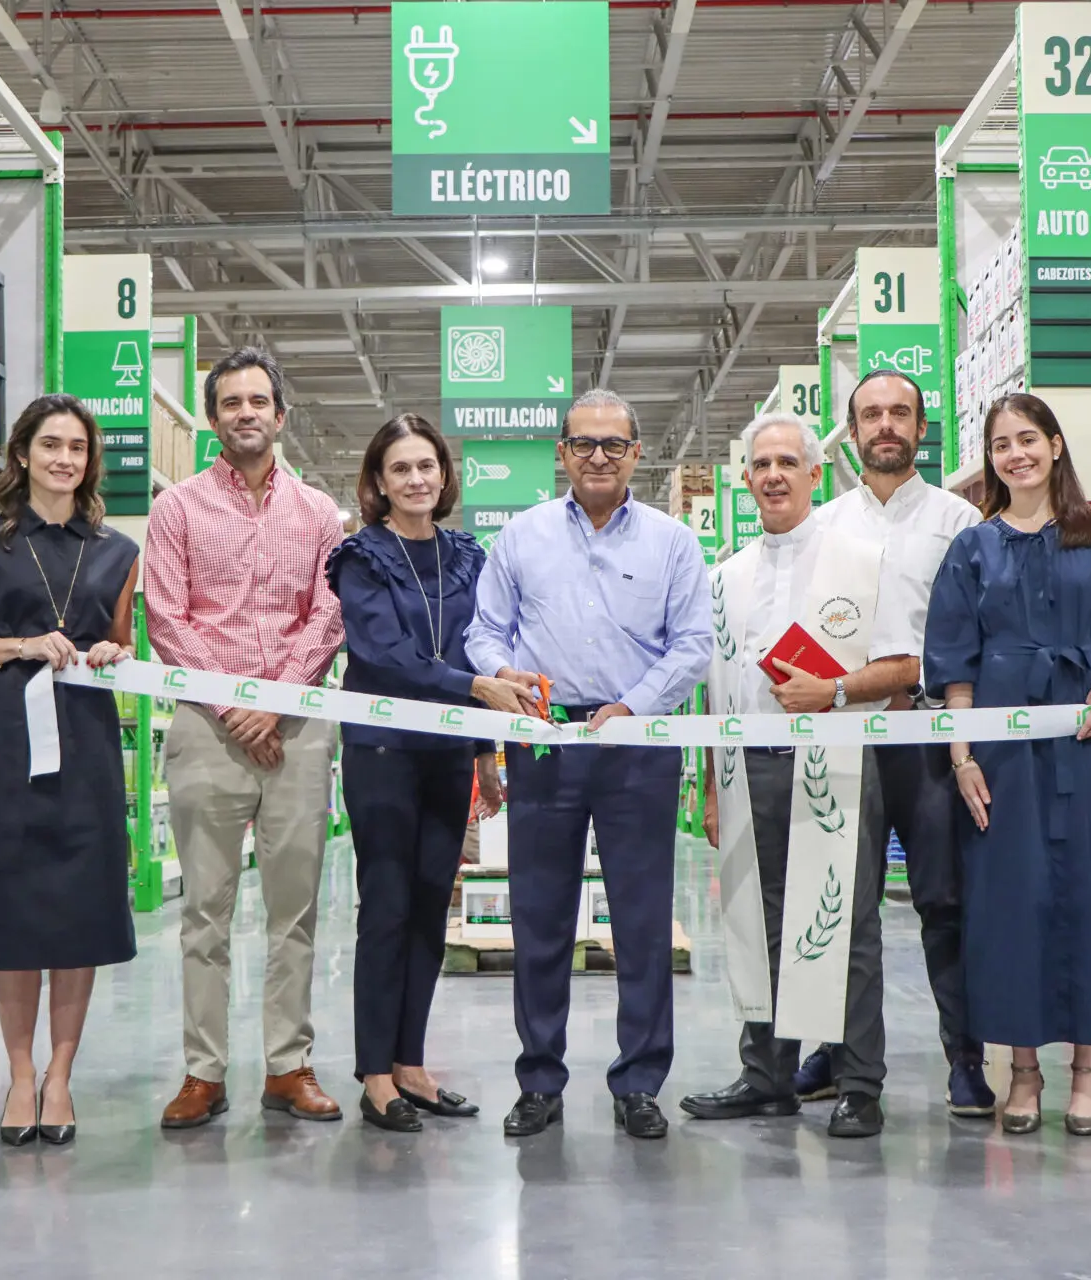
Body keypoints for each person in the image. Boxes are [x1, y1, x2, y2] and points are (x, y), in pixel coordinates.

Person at [689, 377, 992, 1139]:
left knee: (849, 922)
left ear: (814, 470)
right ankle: (768, 1073)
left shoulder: (864, 557)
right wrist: (710, 782)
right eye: (761, 465)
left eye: (788, 461)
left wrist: (831, 693)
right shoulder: (727, 576)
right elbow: (717, 687)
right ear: (747, 479)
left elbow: (904, 662)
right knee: (761, 919)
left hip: (847, 755)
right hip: (752, 761)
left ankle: (864, 1078)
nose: (774, 476)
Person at [923, 391, 1091, 1138]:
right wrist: (962, 756)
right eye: (1001, 444)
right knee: (1012, 901)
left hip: (1088, 742)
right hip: (1001, 748)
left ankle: (1087, 1070)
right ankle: (1022, 1072)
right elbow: (953, 663)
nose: (1016, 454)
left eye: (1028, 439)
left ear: (1056, 446)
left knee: (1090, 891)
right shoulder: (973, 548)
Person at [466, 388, 712, 1141]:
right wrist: (507, 682)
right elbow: (484, 634)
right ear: (561, 453)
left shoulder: (673, 542)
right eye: (584, 444)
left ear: (637, 452)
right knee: (539, 917)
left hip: (638, 740)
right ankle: (540, 1081)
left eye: (614, 444)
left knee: (641, 922)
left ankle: (639, 1082)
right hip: (544, 739)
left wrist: (635, 705)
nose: (598, 457)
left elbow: (693, 644)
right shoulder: (521, 538)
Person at [144, 347, 346, 1129]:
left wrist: (277, 702)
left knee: (294, 912)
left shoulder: (320, 513)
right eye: (231, 403)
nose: (247, 413)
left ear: (280, 415)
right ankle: (203, 1072)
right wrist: (235, 707)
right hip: (207, 728)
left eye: (259, 400)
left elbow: (328, 615)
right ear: (215, 419)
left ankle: (288, 1066)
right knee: (206, 912)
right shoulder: (180, 510)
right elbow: (167, 617)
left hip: (297, 732)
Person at [0, 393, 141, 1147]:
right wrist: (20, 646)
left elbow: (120, 645)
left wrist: (117, 653)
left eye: (78, 448)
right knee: (13, 909)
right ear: (21, 455)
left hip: (86, 741)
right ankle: (20, 1077)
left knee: (79, 912)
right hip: (9, 744)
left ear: (89, 462)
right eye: (50, 445)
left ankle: (61, 1076)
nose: (64, 459)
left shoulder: (119, 551)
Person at [325, 415, 531, 1133]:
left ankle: (411, 1063)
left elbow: (480, 647)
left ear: (445, 476)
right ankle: (374, 1073)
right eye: (401, 468)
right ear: (379, 483)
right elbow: (383, 656)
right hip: (383, 752)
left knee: (429, 911)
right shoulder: (360, 557)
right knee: (385, 906)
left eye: (427, 466)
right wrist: (476, 693)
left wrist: (484, 756)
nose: (417, 479)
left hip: (449, 753)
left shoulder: (467, 556)